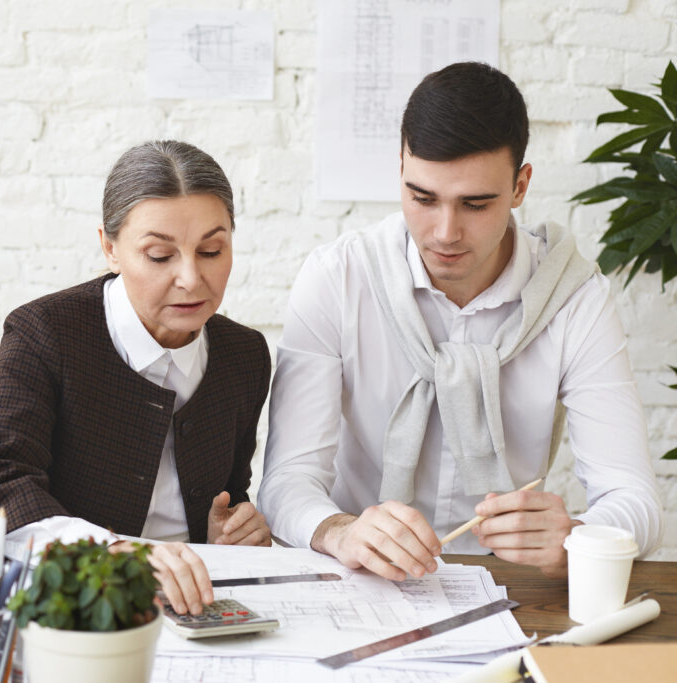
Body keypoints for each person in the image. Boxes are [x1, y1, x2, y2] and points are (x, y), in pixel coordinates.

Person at [259, 62, 662, 581]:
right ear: (400, 167)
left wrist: (578, 536)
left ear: (520, 186)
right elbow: (286, 481)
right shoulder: (338, 279)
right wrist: (340, 531)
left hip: (507, 585)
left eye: (476, 203)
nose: (445, 232)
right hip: (356, 577)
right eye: (422, 198)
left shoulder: (575, 298)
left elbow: (636, 500)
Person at [0, 140, 272, 614]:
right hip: (71, 607)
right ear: (110, 248)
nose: (191, 277)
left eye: (211, 250)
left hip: (189, 607)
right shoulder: (44, 334)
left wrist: (225, 534)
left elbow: (228, 491)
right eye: (160, 256)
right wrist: (113, 555)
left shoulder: (244, 355)